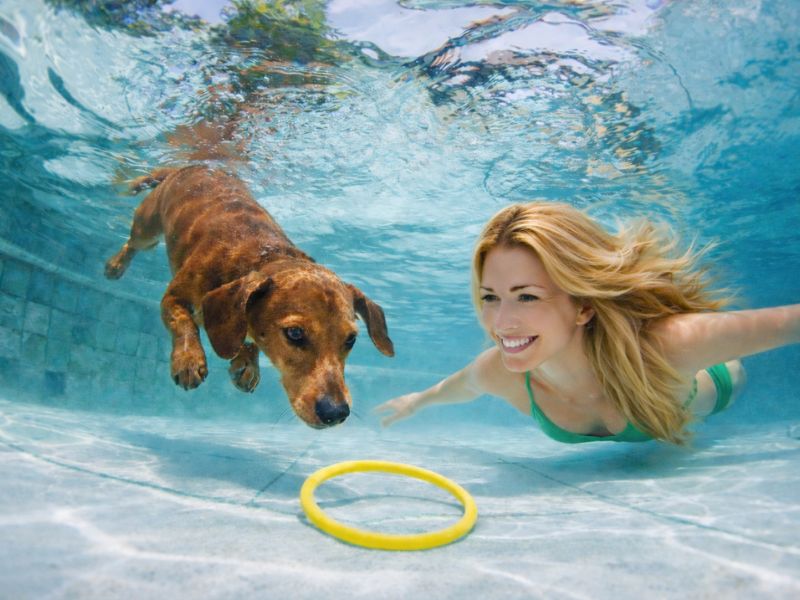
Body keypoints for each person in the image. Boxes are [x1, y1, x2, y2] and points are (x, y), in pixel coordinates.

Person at [375, 202, 800, 444]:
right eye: (491, 297)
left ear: (583, 306)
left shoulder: (668, 346)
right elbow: (457, 387)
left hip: (717, 376)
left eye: (527, 296)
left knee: (728, 358)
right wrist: (416, 402)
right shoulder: (498, 370)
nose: (501, 324)